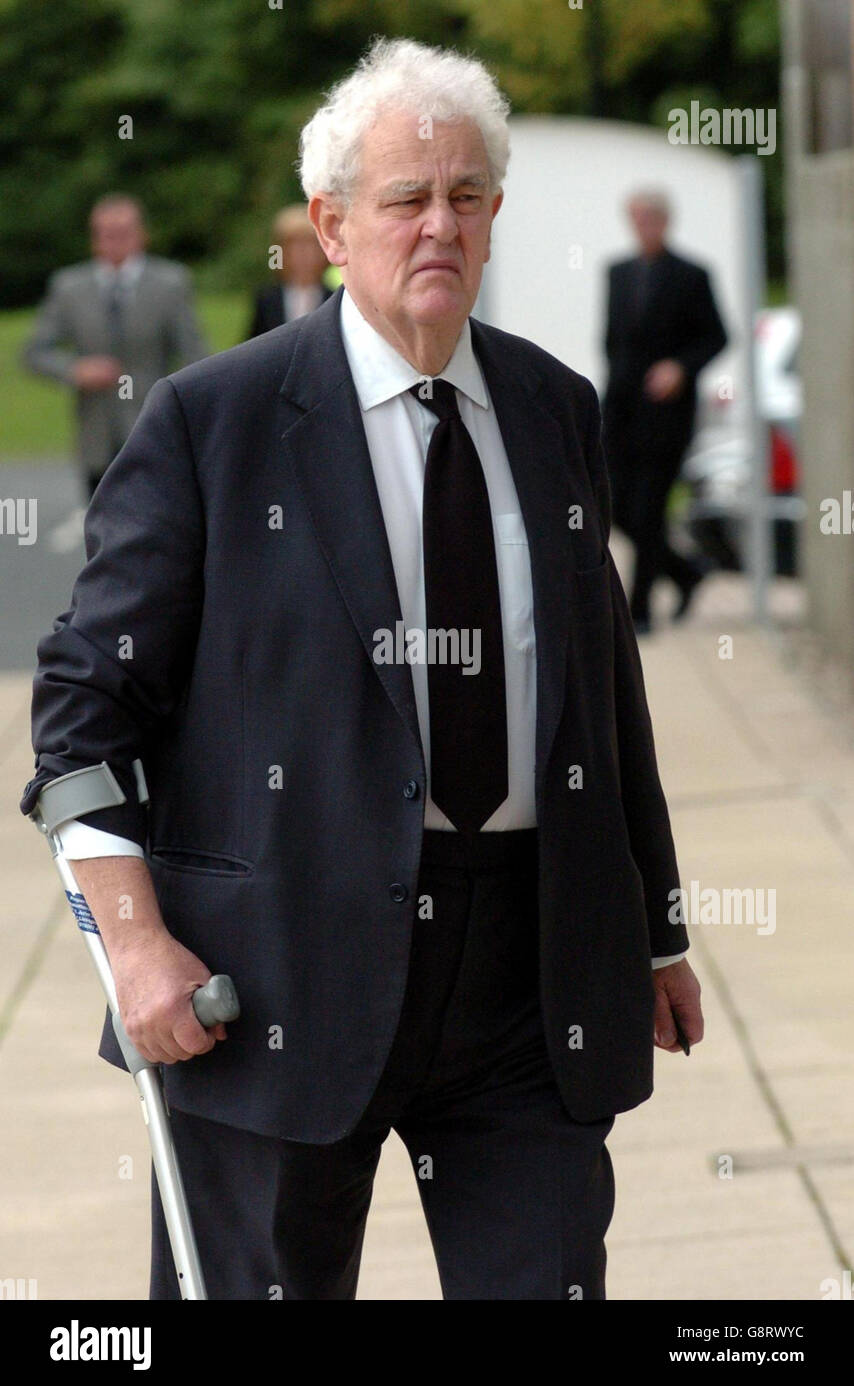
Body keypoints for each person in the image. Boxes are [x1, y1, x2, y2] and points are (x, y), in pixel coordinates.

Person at [20, 38, 703, 1301]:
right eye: (402, 199)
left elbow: (604, 692)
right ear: (332, 225)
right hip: (273, 973)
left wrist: (655, 930)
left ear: (492, 216)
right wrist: (134, 946)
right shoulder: (211, 420)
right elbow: (79, 714)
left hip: (524, 974)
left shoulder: (556, 412)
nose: (436, 225)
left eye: (463, 197)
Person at [23, 194, 208, 505]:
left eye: (124, 233)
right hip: (96, 436)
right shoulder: (68, 287)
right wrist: (74, 369)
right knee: (102, 534)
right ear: (94, 239)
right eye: (106, 234)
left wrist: (180, 406)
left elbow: (196, 354)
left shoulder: (170, 284)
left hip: (153, 430)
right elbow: (35, 352)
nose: (115, 242)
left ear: (142, 235)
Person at [602, 190, 728, 634]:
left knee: (651, 508)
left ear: (665, 222)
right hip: (621, 412)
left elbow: (716, 336)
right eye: (637, 218)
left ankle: (639, 612)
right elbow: (612, 343)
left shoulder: (691, 276)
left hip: (667, 416)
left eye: (651, 218)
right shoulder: (617, 273)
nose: (644, 226)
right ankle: (685, 571)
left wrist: (680, 367)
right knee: (617, 508)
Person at [245, 203, 333, 338]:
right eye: (295, 246)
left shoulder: (334, 300)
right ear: (281, 251)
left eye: (311, 245)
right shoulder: (268, 300)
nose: (304, 254)